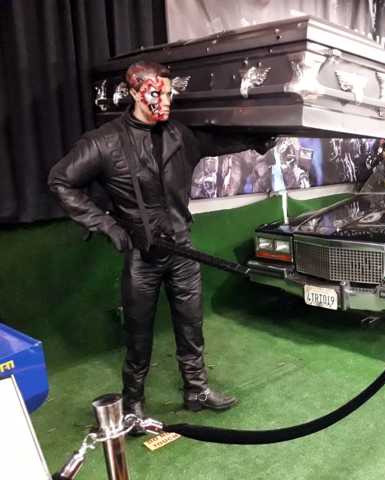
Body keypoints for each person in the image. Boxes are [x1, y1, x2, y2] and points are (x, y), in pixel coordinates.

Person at [48, 61, 273, 426]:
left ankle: (196, 390)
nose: (166, 100)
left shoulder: (178, 135)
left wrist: (258, 137)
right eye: (158, 93)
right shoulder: (104, 141)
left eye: (169, 93)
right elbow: (60, 181)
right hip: (143, 254)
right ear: (135, 93)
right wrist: (105, 224)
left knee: (191, 325)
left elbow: (218, 142)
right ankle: (133, 403)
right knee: (138, 336)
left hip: (183, 248)